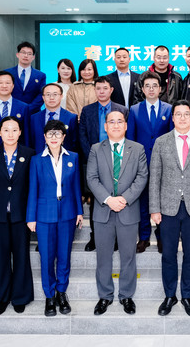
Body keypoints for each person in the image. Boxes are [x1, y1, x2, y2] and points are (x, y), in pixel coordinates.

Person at [149, 100, 190, 317]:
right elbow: (155, 178)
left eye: (186, 114)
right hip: (167, 207)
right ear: (172, 117)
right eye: (178, 114)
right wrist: (154, 208)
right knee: (168, 254)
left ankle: (187, 296)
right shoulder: (161, 142)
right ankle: (170, 295)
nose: (182, 118)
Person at [86, 110, 149, 315]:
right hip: (103, 211)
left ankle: (126, 296)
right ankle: (105, 296)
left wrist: (124, 199)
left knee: (128, 256)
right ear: (105, 126)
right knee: (103, 256)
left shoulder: (137, 149)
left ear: (126, 126)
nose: (115, 125)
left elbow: (142, 176)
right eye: (111, 122)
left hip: (128, 210)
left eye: (119, 121)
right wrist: (108, 199)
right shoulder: (96, 149)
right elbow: (91, 178)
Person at [26, 120, 84, 317]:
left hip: (68, 213)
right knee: (47, 257)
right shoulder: (37, 160)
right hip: (44, 215)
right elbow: (33, 190)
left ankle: (61, 292)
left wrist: (79, 211)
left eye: (57, 134)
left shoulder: (73, 157)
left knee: (64, 256)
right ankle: (49, 296)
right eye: (50, 134)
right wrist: (31, 217)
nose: (54, 137)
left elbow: (76, 186)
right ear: (44, 137)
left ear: (63, 137)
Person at [0, 116, 35, 316]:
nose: (10, 134)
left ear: (20, 132)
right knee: (0, 259)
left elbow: (33, 187)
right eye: (6, 130)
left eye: (14, 130)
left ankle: (20, 297)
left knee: (21, 257)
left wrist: (32, 216)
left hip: (21, 216)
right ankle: (1, 298)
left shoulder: (30, 154)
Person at [79, 76, 129, 251]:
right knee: (97, 201)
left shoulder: (122, 110)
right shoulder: (87, 110)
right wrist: (93, 157)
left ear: (111, 90)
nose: (101, 91)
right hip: (94, 162)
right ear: (94, 90)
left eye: (105, 88)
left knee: (117, 199)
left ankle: (116, 238)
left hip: (117, 161)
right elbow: (82, 136)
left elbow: (127, 135)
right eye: (98, 88)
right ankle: (95, 237)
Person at [126, 71, 173, 253]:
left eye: (155, 86)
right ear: (142, 89)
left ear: (160, 89)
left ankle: (162, 237)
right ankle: (144, 237)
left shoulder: (169, 109)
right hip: (141, 164)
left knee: (163, 202)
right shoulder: (134, 110)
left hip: (164, 164)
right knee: (143, 203)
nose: (151, 89)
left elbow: (172, 138)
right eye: (148, 86)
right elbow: (130, 139)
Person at [28, 83, 78, 154]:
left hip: (63, 158)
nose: (51, 98)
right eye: (48, 94)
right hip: (39, 157)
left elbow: (74, 143)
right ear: (43, 97)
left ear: (61, 96)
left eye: (55, 94)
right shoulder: (34, 118)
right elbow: (30, 141)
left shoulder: (71, 117)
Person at [6, 41, 47, 114]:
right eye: (23, 52)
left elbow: (41, 94)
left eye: (29, 54)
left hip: (33, 113)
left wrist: (28, 109)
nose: (26, 56)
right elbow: (3, 92)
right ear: (17, 54)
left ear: (33, 57)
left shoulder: (40, 75)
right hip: (11, 112)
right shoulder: (7, 73)